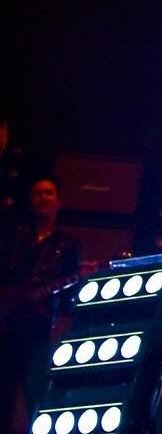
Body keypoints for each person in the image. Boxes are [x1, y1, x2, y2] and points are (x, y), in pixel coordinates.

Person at [0, 177, 82, 433]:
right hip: (6, 324)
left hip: (38, 326)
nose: (43, 198)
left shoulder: (68, 245)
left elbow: (70, 294)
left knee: (36, 389)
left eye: (48, 193)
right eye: (37, 193)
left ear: (58, 202)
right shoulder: (13, 237)